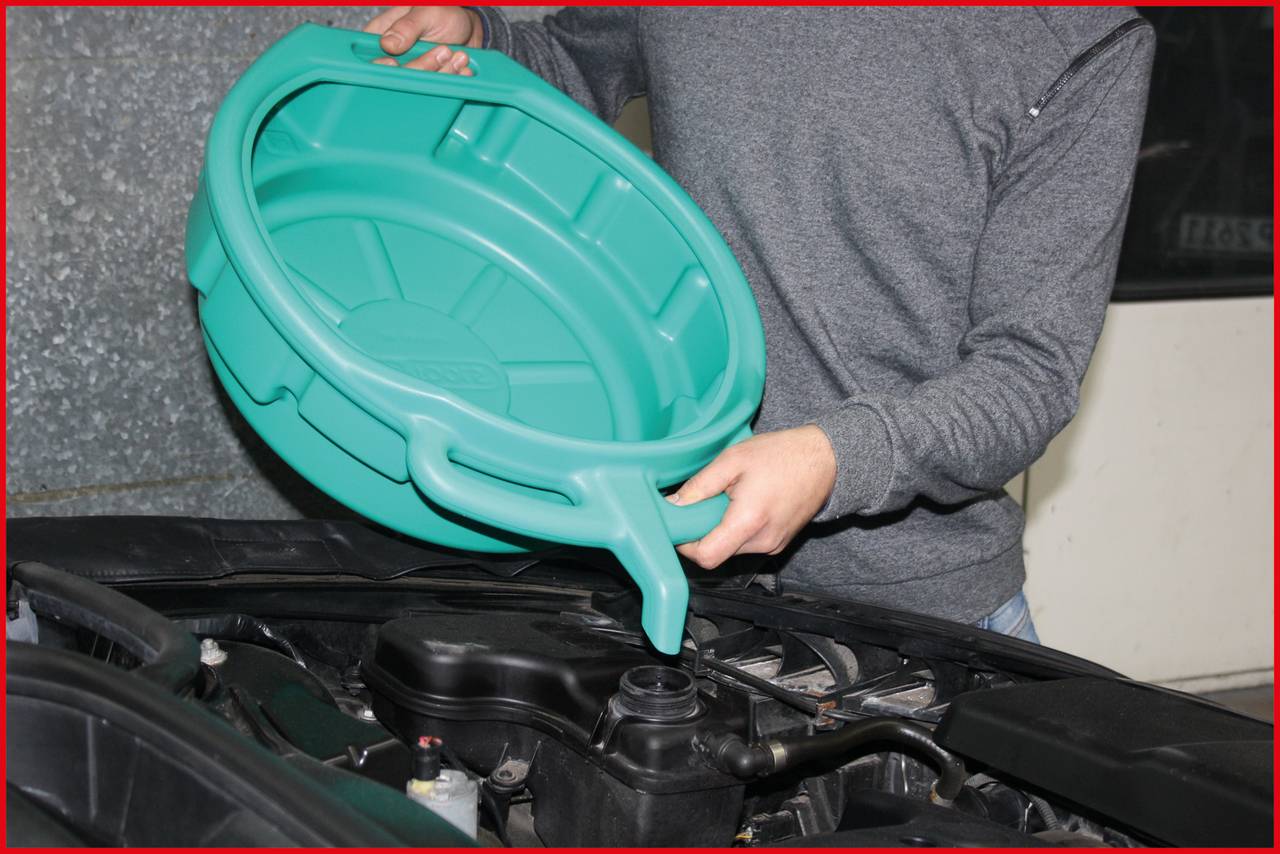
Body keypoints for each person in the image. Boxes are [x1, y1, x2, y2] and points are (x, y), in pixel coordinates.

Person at [361, 6, 1156, 641]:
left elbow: (1028, 375)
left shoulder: (1080, 37)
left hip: (916, 615)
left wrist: (835, 459)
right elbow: (578, 58)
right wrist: (484, 39)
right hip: (660, 552)